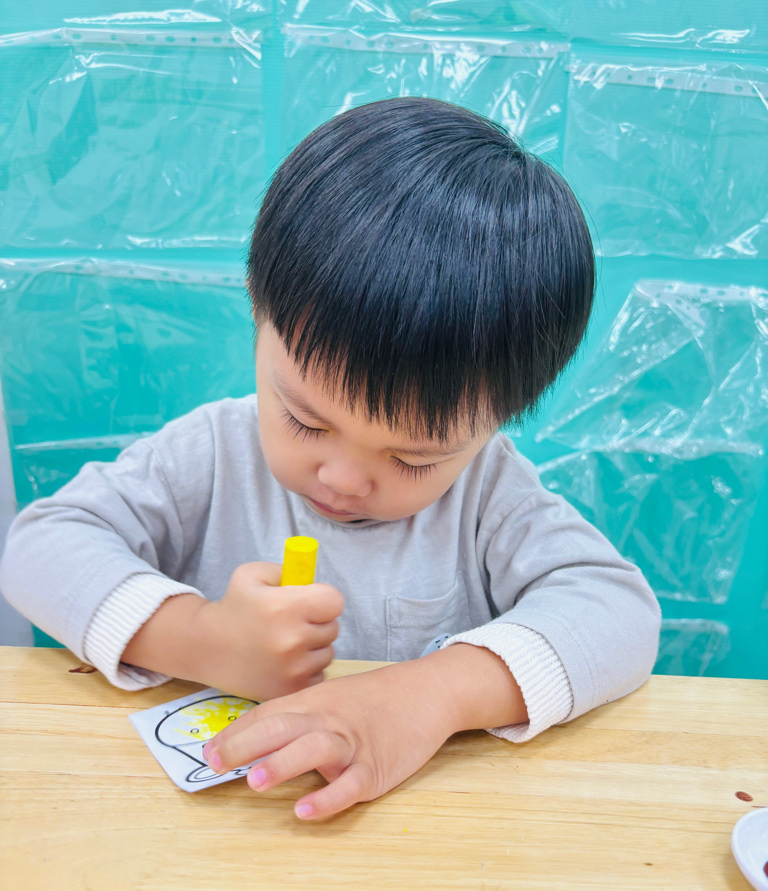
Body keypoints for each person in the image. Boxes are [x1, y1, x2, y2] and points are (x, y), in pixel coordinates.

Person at [0, 98, 660, 820]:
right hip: (215, 827)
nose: (343, 478)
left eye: (414, 458)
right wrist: (201, 640)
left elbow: (619, 614)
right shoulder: (211, 452)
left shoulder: (488, 493)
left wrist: (431, 694)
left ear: (500, 419)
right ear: (258, 311)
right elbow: (41, 545)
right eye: (304, 419)